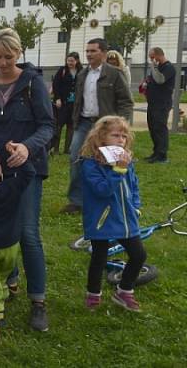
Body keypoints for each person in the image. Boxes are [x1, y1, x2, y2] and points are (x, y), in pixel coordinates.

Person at [0, 28, 54, 332]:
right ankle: (8, 278)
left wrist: (27, 147)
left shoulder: (32, 84)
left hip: (27, 169)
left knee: (28, 233)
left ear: (19, 54)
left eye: (9, 57)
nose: (3, 63)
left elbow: (47, 125)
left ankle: (38, 301)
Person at [81, 116, 146, 312]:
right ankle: (93, 295)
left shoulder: (127, 160)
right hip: (102, 219)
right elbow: (102, 190)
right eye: (115, 135)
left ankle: (124, 291)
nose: (121, 140)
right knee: (99, 257)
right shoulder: (91, 164)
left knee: (138, 254)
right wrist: (118, 170)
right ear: (101, 137)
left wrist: (135, 205)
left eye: (124, 136)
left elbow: (134, 185)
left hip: (126, 218)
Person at [63, 38, 133, 214]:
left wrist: (121, 125)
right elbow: (78, 101)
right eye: (87, 51)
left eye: (93, 51)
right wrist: (75, 120)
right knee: (76, 158)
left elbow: (126, 101)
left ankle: (111, 198)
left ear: (103, 52)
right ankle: (76, 201)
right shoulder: (82, 75)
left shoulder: (115, 74)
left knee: (108, 160)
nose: (88, 54)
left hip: (106, 126)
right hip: (84, 123)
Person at [0, 154, 35, 327]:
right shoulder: (12, 186)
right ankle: (3, 294)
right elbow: (29, 173)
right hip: (12, 243)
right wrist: (19, 155)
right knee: (4, 274)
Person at [143, 47, 176, 164]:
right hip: (153, 103)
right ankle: (156, 152)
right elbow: (153, 80)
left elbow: (160, 80)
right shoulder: (158, 68)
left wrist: (153, 66)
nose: (151, 60)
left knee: (159, 128)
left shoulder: (168, 67)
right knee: (153, 128)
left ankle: (162, 155)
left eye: (152, 57)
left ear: (158, 55)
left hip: (162, 103)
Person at [50, 52, 81, 155]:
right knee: (59, 125)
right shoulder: (62, 70)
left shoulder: (81, 71)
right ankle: (55, 149)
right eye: (68, 60)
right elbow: (56, 84)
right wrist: (57, 98)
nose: (70, 63)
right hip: (62, 103)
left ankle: (67, 149)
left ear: (77, 60)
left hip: (74, 104)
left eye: (72, 61)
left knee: (71, 126)